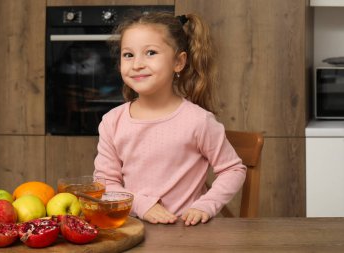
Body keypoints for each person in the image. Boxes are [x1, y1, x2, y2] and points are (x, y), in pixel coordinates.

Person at [93, 11, 246, 226]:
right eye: (128, 55)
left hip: (187, 234)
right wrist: (142, 205)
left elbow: (233, 170)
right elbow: (105, 183)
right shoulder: (112, 121)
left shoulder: (198, 121)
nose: (137, 64)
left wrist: (205, 205)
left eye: (151, 52)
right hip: (130, 231)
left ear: (178, 62)